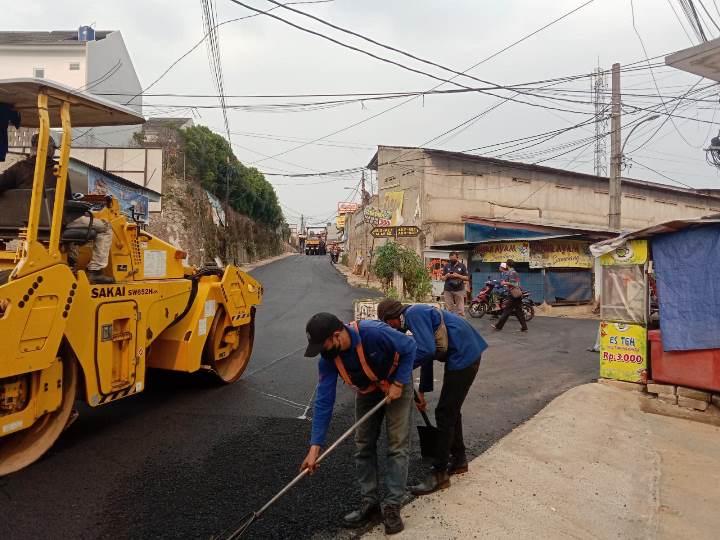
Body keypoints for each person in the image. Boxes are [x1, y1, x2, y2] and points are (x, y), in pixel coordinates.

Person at [301, 312, 417, 535]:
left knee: (397, 445)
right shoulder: (328, 359)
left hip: (396, 383)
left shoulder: (374, 333)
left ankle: (392, 505)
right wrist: (315, 447)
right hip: (367, 391)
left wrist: (400, 383)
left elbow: (409, 347)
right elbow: (324, 401)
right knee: (363, 444)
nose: (322, 352)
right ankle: (370, 503)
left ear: (336, 336)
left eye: (323, 345)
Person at [377, 299, 488, 495]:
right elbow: (427, 352)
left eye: (388, 324)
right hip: (463, 351)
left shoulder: (413, 314)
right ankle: (459, 459)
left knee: (445, 413)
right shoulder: (414, 315)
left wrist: (398, 373)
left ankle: (439, 474)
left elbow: (426, 351)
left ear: (393, 318)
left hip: (465, 354)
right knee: (451, 410)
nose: (390, 329)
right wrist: (422, 392)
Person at [0, 134, 114, 284]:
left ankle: (71, 262)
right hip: (52, 223)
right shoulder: (57, 171)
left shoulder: (17, 168)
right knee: (105, 227)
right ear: (50, 150)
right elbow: (67, 201)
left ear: (33, 148)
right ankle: (95, 271)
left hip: (21, 225)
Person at [492, 259, 528, 331]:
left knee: (507, 311)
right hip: (516, 294)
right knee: (519, 311)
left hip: (513, 294)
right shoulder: (513, 272)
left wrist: (505, 283)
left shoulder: (511, 272)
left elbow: (515, 284)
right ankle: (524, 327)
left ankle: (498, 326)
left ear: (507, 265)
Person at [441, 251, 469, 317]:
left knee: (460, 310)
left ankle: (461, 324)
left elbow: (467, 278)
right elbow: (442, 278)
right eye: (451, 259)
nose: (452, 260)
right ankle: (450, 323)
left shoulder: (462, 266)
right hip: (448, 290)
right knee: (449, 309)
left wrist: (458, 275)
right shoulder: (446, 266)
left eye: (454, 259)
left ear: (457, 257)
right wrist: (446, 276)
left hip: (459, 290)